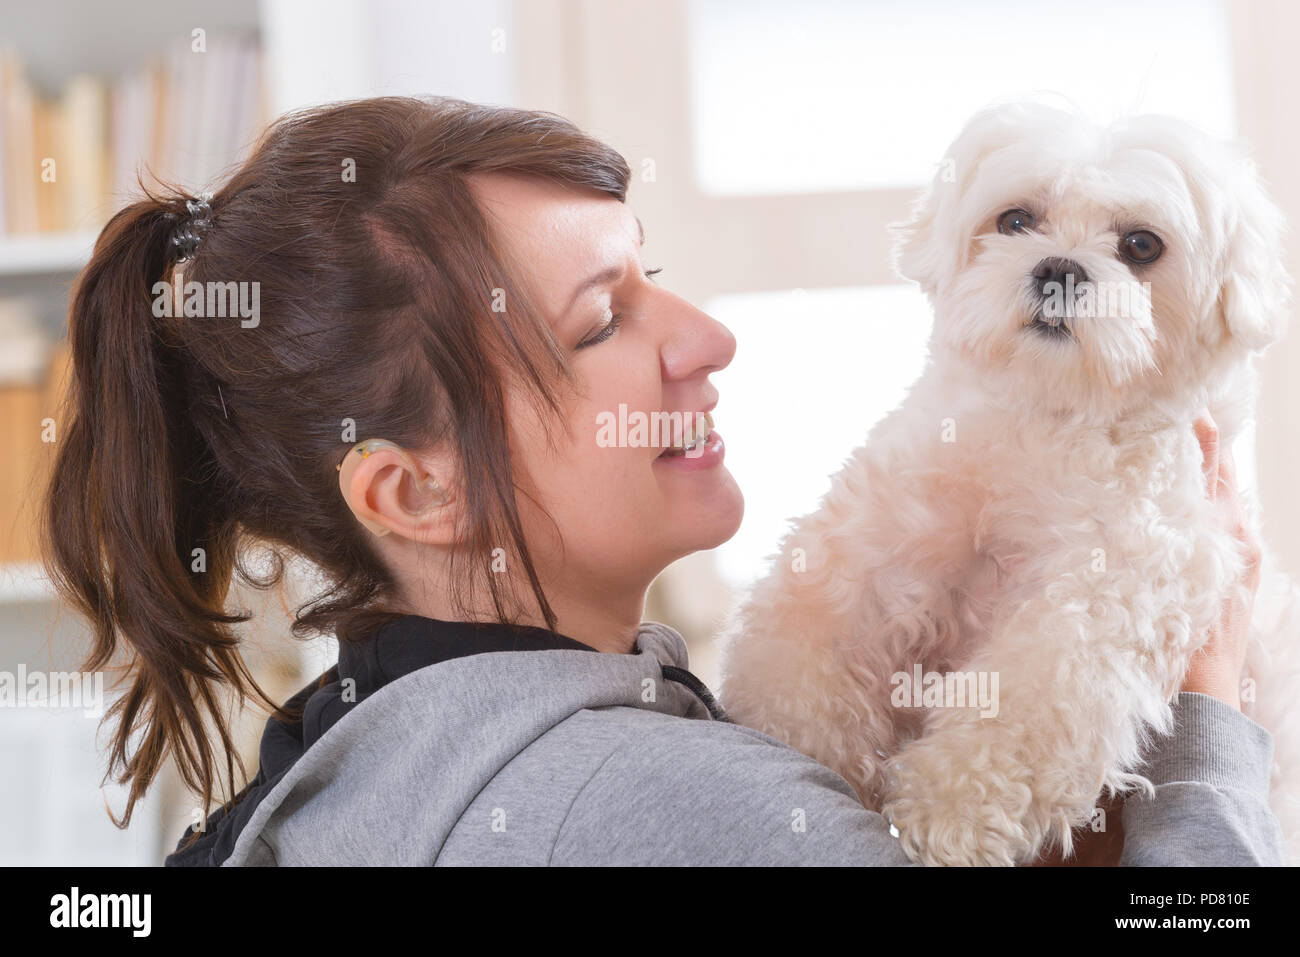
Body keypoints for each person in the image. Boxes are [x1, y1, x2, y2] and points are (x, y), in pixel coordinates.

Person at [41, 97, 1283, 866]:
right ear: (414, 495)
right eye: (602, 321)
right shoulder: (669, 810)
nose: (704, 335)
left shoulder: (359, 746)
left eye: (654, 272)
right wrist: (1207, 722)